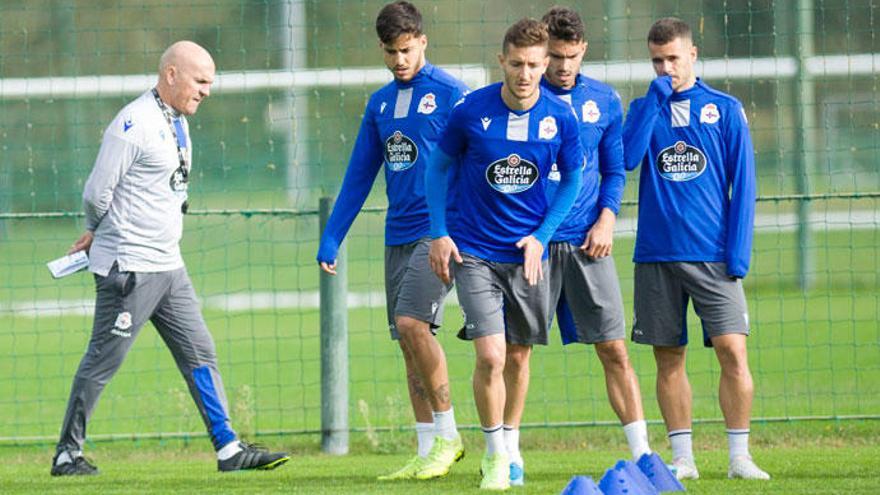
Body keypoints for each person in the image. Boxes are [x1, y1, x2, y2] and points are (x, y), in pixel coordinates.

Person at [51, 41, 289, 476]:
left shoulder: (176, 120)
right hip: (131, 269)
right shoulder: (133, 123)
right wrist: (98, 231)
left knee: (200, 352)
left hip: (169, 266)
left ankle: (228, 448)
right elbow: (95, 192)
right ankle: (68, 452)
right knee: (104, 361)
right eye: (201, 81)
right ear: (172, 75)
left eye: (210, 83)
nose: (207, 91)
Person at [493, 6, 653, 487]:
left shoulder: (603, 101)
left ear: (584, 51)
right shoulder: (518, 102)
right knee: (517, 353)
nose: (562, 67)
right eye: (554, 57)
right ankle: (509, 454)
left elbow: (614, 171)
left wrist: (607, 218)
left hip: (587, 244)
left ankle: (644, 454)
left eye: (571, 56)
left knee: (615, 350)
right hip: (528, 247)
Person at [426, 18, 583, 491]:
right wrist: (438, 232)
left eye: (535, 64)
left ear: (546, 63)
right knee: (491, 355)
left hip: (528, 256)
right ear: (502, 61)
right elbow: (437, 169)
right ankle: (494, 454)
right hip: (474, 252)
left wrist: (542, 235)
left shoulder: (561, 118)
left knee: (517, 357)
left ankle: (511, 442)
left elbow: (572, 180)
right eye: (517, 64)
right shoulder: (470, 112)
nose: (526, 74)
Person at [316, 1, 468, 481]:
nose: (400, 60)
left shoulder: (452, 94)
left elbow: (481, 158)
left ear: (422, 41)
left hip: (440, 232)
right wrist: (332, 236)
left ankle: (450, 435)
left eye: (406, 49)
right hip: (397, 233)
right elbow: (360, 173)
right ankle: (427, 449)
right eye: (390, 52)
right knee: (407, 342)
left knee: (412, 324)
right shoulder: (381, 103)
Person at [622, 17, 769, 481]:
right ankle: (682, 458)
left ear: (693, 55)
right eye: (657, 60)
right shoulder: (644, 108)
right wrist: (653, 104)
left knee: (732, 351)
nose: (666, 68)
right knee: (669, 358)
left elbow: (743, 186)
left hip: (713, 256)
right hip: (656, 256)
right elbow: (627, 159)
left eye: (673, 58)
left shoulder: (724, 110)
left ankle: (739, 457)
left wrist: (738, 253)